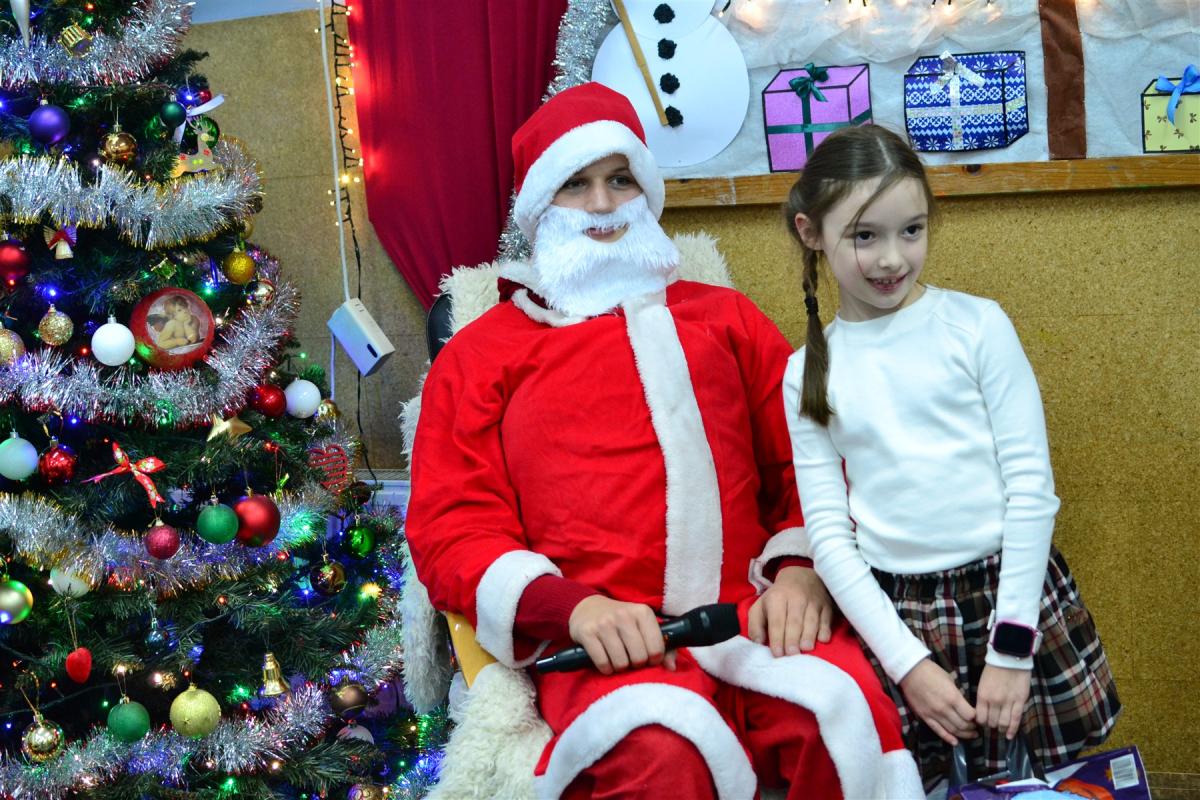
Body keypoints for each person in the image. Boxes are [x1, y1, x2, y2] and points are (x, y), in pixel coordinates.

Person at [406, 83, 923, 799]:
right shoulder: (481, 355)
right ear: (538, 208)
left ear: (646, 194)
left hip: (751, 614)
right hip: (602, 646)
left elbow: (809, 458)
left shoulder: (727, 318)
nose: (602, 204)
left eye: (620, 179)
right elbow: (452, 525)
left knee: (847, 723)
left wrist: (802, 568)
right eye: (575, 184)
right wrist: (570, 608)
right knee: (659, 758)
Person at [781, 124, 1121, 787]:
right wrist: (907, 664)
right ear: (811, 232)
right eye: (864, 236)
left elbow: (1031, 489)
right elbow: (829, 535)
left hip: (1012, 598)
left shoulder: (977, 326)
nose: (892, 259)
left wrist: (1013, 649)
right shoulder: (806, 374)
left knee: (1055, 786)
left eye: (911, 230)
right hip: (900, 619)